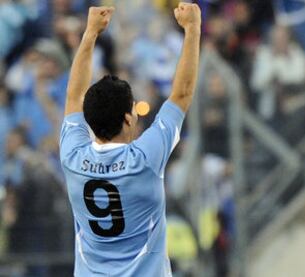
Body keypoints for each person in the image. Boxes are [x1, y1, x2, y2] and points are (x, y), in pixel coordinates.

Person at [59, 3, 201, 277]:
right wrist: (193, 29)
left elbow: (73, 97)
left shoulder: (71, 156)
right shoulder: (145, 159)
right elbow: (182, 95)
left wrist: (89, 33)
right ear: (128, 118)